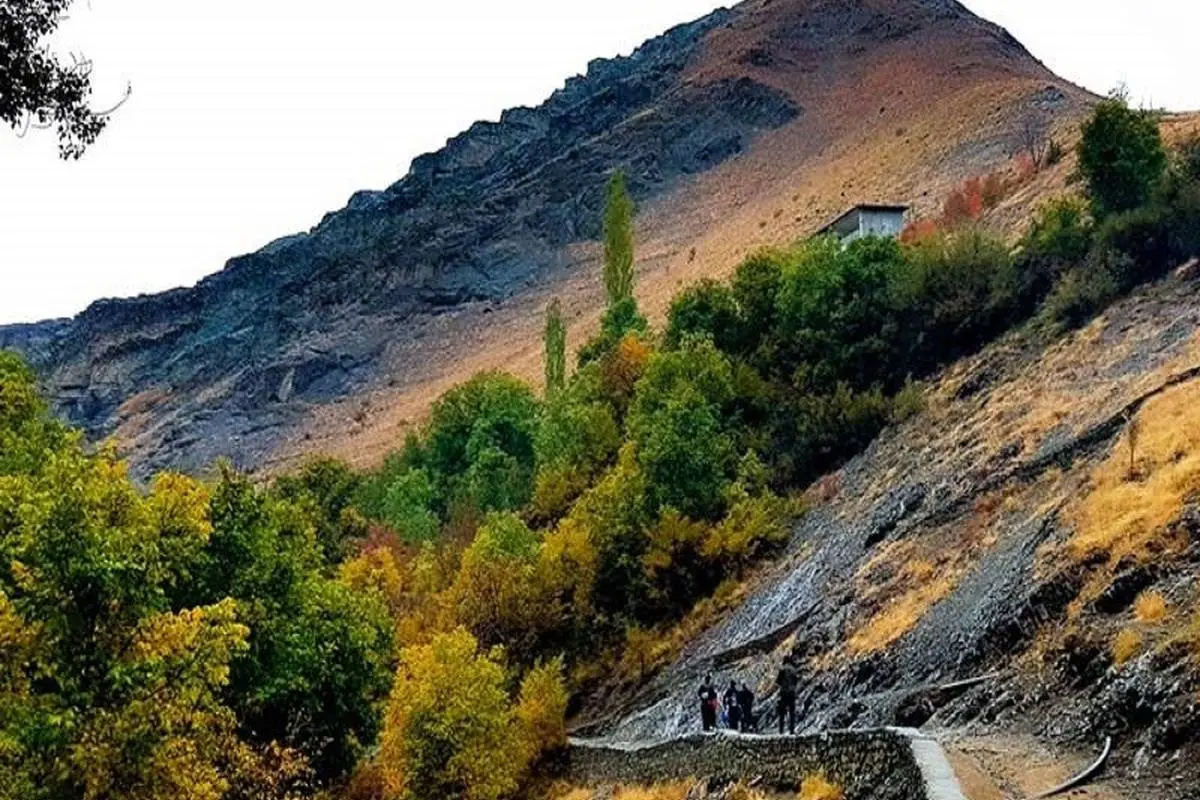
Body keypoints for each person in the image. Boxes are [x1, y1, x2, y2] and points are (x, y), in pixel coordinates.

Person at [776, 655, 798, 735]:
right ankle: (791, 730)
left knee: (782, 713)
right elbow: (796, 681)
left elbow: (778, 681)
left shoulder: (782, 669)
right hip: (792, 693)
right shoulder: (794, 670)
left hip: (784, 693)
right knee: (792, 713)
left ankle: (781, 730)